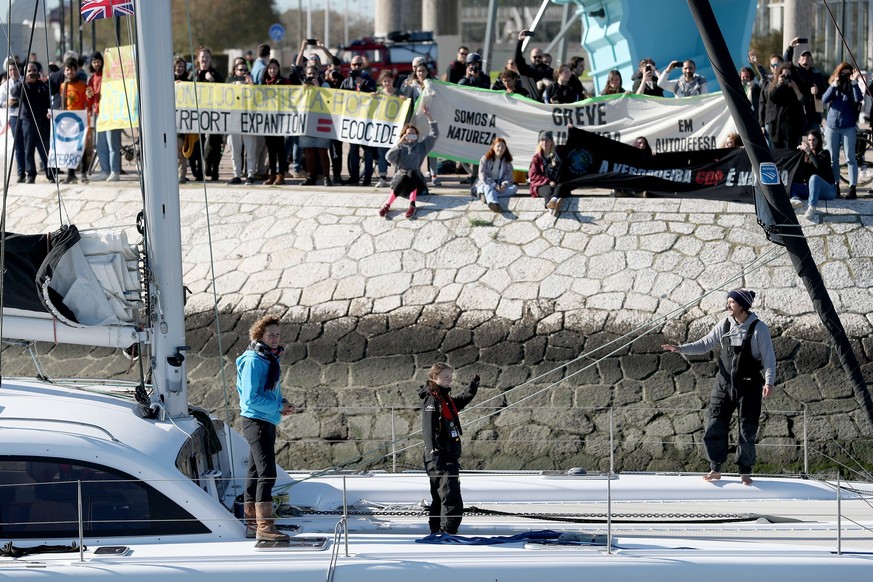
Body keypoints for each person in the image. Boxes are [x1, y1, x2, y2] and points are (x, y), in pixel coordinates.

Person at [662, 289, 775, 485]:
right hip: (723, 385)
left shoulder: (759, 328)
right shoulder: (724, 324)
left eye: (732, 302)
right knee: (714, 424)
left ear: (742, 305)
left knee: (747, 429)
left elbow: (769, 358)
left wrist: (769, 382)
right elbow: (705, 343)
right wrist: (681, 348)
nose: (728, 305)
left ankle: (745, 471)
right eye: (728, 301)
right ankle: (715, 468)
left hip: (749, 386)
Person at [236, 315, 295, 541]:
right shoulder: (254, 360)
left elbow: (267, 393)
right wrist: (278, 406)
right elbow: (251, 399)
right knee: (267, 473)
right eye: (270, 334)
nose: (274, 338)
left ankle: (253, 524)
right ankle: (264, 527)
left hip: (265, 420)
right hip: (257, 421)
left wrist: (282, 404)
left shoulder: (267, 358)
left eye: (277, 334)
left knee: (254, 472)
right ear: (259, 336)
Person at [419, 362, 479, 535]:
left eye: (450, 377)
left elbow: (460, 401)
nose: (449, 380)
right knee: (450, 496)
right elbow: (428, 430)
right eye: (445, 377)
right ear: (434, 377)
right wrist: (434, 453)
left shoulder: (444, 398)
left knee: (442, 497)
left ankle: (438, 530)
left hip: (448, 456)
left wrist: (473, 387)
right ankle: (447, 532)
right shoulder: (432, 399)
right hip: (440, 457)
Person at [379, 105, 438, 219]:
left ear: (417, 135)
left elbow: (434, 134)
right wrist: (400, 143)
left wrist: (429, 116)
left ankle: (412, 204)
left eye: (413, 133)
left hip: (416, 182)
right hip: (400, 183)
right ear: (404, 135)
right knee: (405, 174)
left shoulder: (422, 147)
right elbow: (388, 157)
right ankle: (387, 205)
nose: (411, 135)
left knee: (412, 173)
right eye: (408, 133)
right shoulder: (400, 148)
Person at [822, 62, 863, 200]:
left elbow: (859, 99)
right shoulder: (835, 86)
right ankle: (835, 185)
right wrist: (834, 85)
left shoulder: (852, 87)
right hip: (832, 126)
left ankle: (852, 187)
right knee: (833, 159)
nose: (845, 76)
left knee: (850, 157)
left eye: (848, 74)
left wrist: (854, 82)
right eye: (842, 74)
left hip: (848, 126)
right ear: (838, 73)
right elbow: (824, 99)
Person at [190, 47, 225, 181]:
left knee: (214, 144)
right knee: (198, 144)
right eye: (202, 57)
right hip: (197, 114)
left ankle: (214, 170)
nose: (204, 59)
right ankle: (199, 171)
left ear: (210, 59)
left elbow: (223, 91)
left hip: (213, 115)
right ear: (198, 59)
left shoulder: (215, 74)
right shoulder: (193, 74)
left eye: (207, 57)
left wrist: (212, 81)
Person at [87, 51, 122, 182]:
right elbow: (90, 100)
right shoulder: (91, 79)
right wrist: (89, 96)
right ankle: (105, 170)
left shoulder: (110, 76)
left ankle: (115, 171)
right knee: (100, 144)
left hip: (111, 113)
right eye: (94, 62)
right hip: (99, 114)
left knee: (113, 143)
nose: (97, 64)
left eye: (98, 61)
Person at [789, 129, 836, 222]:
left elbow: (818, 166)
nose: (811, 142)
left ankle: (812, 207)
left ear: (819, 141)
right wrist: (800, 153)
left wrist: (809, 152)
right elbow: (799, 172)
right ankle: (795, 199)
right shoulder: (806, 155)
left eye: (814, 140)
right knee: (793, 184)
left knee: (814, 178)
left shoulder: (825, 153)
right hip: (813, 190)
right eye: (809, 140)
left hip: (829, 190)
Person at [58, 56, 92, 184]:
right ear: (64, 71)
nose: (69, 72)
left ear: (76, 70)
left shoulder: (83, 86)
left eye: (72, 70)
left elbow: (88, 104)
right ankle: (70, 173)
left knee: (81, 147)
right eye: (67, 70)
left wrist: (89, 96)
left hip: (80, 122)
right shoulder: (63, 86)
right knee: (68, 148)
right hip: (67, 122)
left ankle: (83, 173)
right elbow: (62, 104)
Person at [225, 61, 257, 185]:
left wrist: (251, 85)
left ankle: (250, 174)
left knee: (250, 150)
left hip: (248, 122)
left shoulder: (251, 86)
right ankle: (236, 175)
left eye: (245, 70)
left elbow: (258, 100)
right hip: (234, 122)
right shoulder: (230, 86)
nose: (243, 72)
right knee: (235, 151)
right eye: (240, 70)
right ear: (235, 72)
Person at [763, 63, 805, 149]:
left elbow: (803, 101)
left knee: (791, 151)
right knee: (777, 152)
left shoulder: (798, 85)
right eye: (784, 75)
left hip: (793, 125)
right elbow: (772, 97)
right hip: (778, 126)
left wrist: (794, 87)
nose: (786, 77)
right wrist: (779, 84)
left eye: (788, 75)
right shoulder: (778, 87)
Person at [474, 137, 517, 212]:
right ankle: (494, 203)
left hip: (499, 187)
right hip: (485, 184)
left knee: (514, 188)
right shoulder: (485, 159)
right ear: (493, 147)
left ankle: (487, 196)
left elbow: (509, 177)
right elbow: (483, 176)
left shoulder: (507, 162)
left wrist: (504, 185)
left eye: (503, 147)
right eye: (498, 146)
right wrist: (494, 185)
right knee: (487, 188)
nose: (500, 149)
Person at [263, 59, 288, 185]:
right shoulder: (264, 83)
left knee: (279, 149)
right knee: (270, 149)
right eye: (270, 68)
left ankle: (281, 174)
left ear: (278, 70)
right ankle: (272, 174)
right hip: (267, 120)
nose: (272, 71)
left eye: (275, 68)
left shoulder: (283, 82)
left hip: (279, 120)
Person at [529, 130, 565, 216]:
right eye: (542, 140)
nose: (544, 142)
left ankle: (553, 200)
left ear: (551, 142)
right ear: (540, 142)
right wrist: (548, 181)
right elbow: (533, 176)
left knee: (561, 186)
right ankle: (551, 207)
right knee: (548, 190)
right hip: (541, 184)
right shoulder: (536, 158)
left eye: (547, 140)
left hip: (556, 184)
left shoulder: (557, 156)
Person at [0, 57, 25, 182]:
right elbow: (0, 102)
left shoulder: (24, 81)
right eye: (10, 70)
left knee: (29, 145)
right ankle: (21, 174)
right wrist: (7, 103)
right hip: (14, 117)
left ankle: (31, 171)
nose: (13, 72)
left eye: (15, 69)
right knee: (19, 146)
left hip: (26, 117)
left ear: (19, 69)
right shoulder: (5, 86)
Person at [514, 30, 554, 100]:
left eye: (539, 57)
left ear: (542, 57)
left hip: (546, 103)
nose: (537, 59)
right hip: (530, 103)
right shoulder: (527, 70)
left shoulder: (549, 71)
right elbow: (518, 59)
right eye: (535, 57)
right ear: (530, 57)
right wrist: (520, 42)